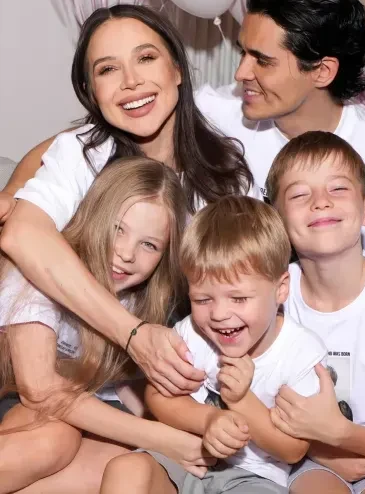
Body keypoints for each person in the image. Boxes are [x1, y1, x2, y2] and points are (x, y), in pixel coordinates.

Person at [0, 4, 261, 401]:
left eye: (146, 58)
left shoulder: (227, 175)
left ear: (177, 69)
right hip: (46, 361)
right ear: (91, 92)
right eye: (108, 69)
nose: (131, 81)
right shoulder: (82, 153)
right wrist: (132, 334)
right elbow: (21, 234)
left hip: (148, 380)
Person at [0, 157, 213, 494]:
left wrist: (189, 429)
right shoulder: (44, 267)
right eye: (118, 229)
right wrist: (161, 437)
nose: (127, 253)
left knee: (123, 464)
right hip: (23, 404)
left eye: (149, 244)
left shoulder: (141, 301)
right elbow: (39, 390)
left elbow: (125, 386)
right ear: (94, 215)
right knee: (55, 437)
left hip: (50, 416)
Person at [98, 195, 328, 494]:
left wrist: (241, 400)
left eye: (239, 298)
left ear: (281, 289)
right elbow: (157, 395)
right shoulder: (192, 332)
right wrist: (209, 419)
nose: (219, 314)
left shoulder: (301, 353)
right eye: (203, 299)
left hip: (254, 477)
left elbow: (293, 450)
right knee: (126, 469)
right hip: (184, 458)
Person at [195, 0, 365, 246]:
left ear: (322, 71)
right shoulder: (215, 112)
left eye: (262, 61)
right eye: (243, 53)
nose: (241, 73)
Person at [265, 131, 365, 494]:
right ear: (278, 221)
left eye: (337, 189)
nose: (321, 202)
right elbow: (256, 403)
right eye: (299, 195)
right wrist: (323, 453)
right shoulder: (273, 298)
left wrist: (339, 434)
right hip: (299, 454)